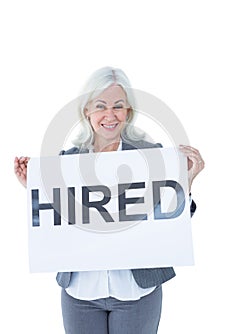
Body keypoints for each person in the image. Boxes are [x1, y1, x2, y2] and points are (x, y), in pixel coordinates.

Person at [14, 66, 205, 334]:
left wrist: (185, 183)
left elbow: (169, 220)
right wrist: (34, 189)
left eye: (118, 106)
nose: (109, 115)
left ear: (128, 112)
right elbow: (60, 219)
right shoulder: (66, 161)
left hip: (137, 290)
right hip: (80, 294)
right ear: (87, 112)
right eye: (101, 106)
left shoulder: (153, 156)